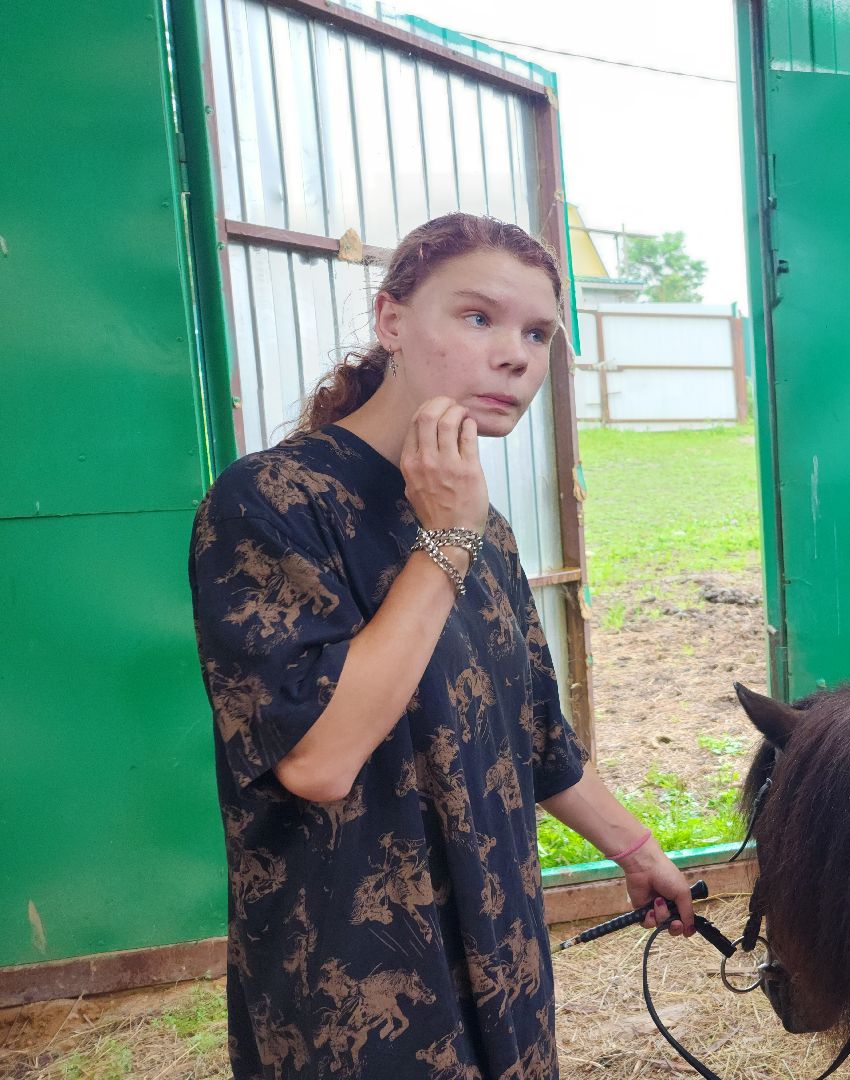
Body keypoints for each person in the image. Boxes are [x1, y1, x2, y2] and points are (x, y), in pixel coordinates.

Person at [189, 213, 692, 1079]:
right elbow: (319, 760)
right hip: (355, 989)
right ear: (390, 322)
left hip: (501, 958)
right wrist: (442, 544)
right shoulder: (270, 501)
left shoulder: (481, 528)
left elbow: (535, 739)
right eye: (477, 318)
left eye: (537, 333)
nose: (515, 355)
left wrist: (640, 853)